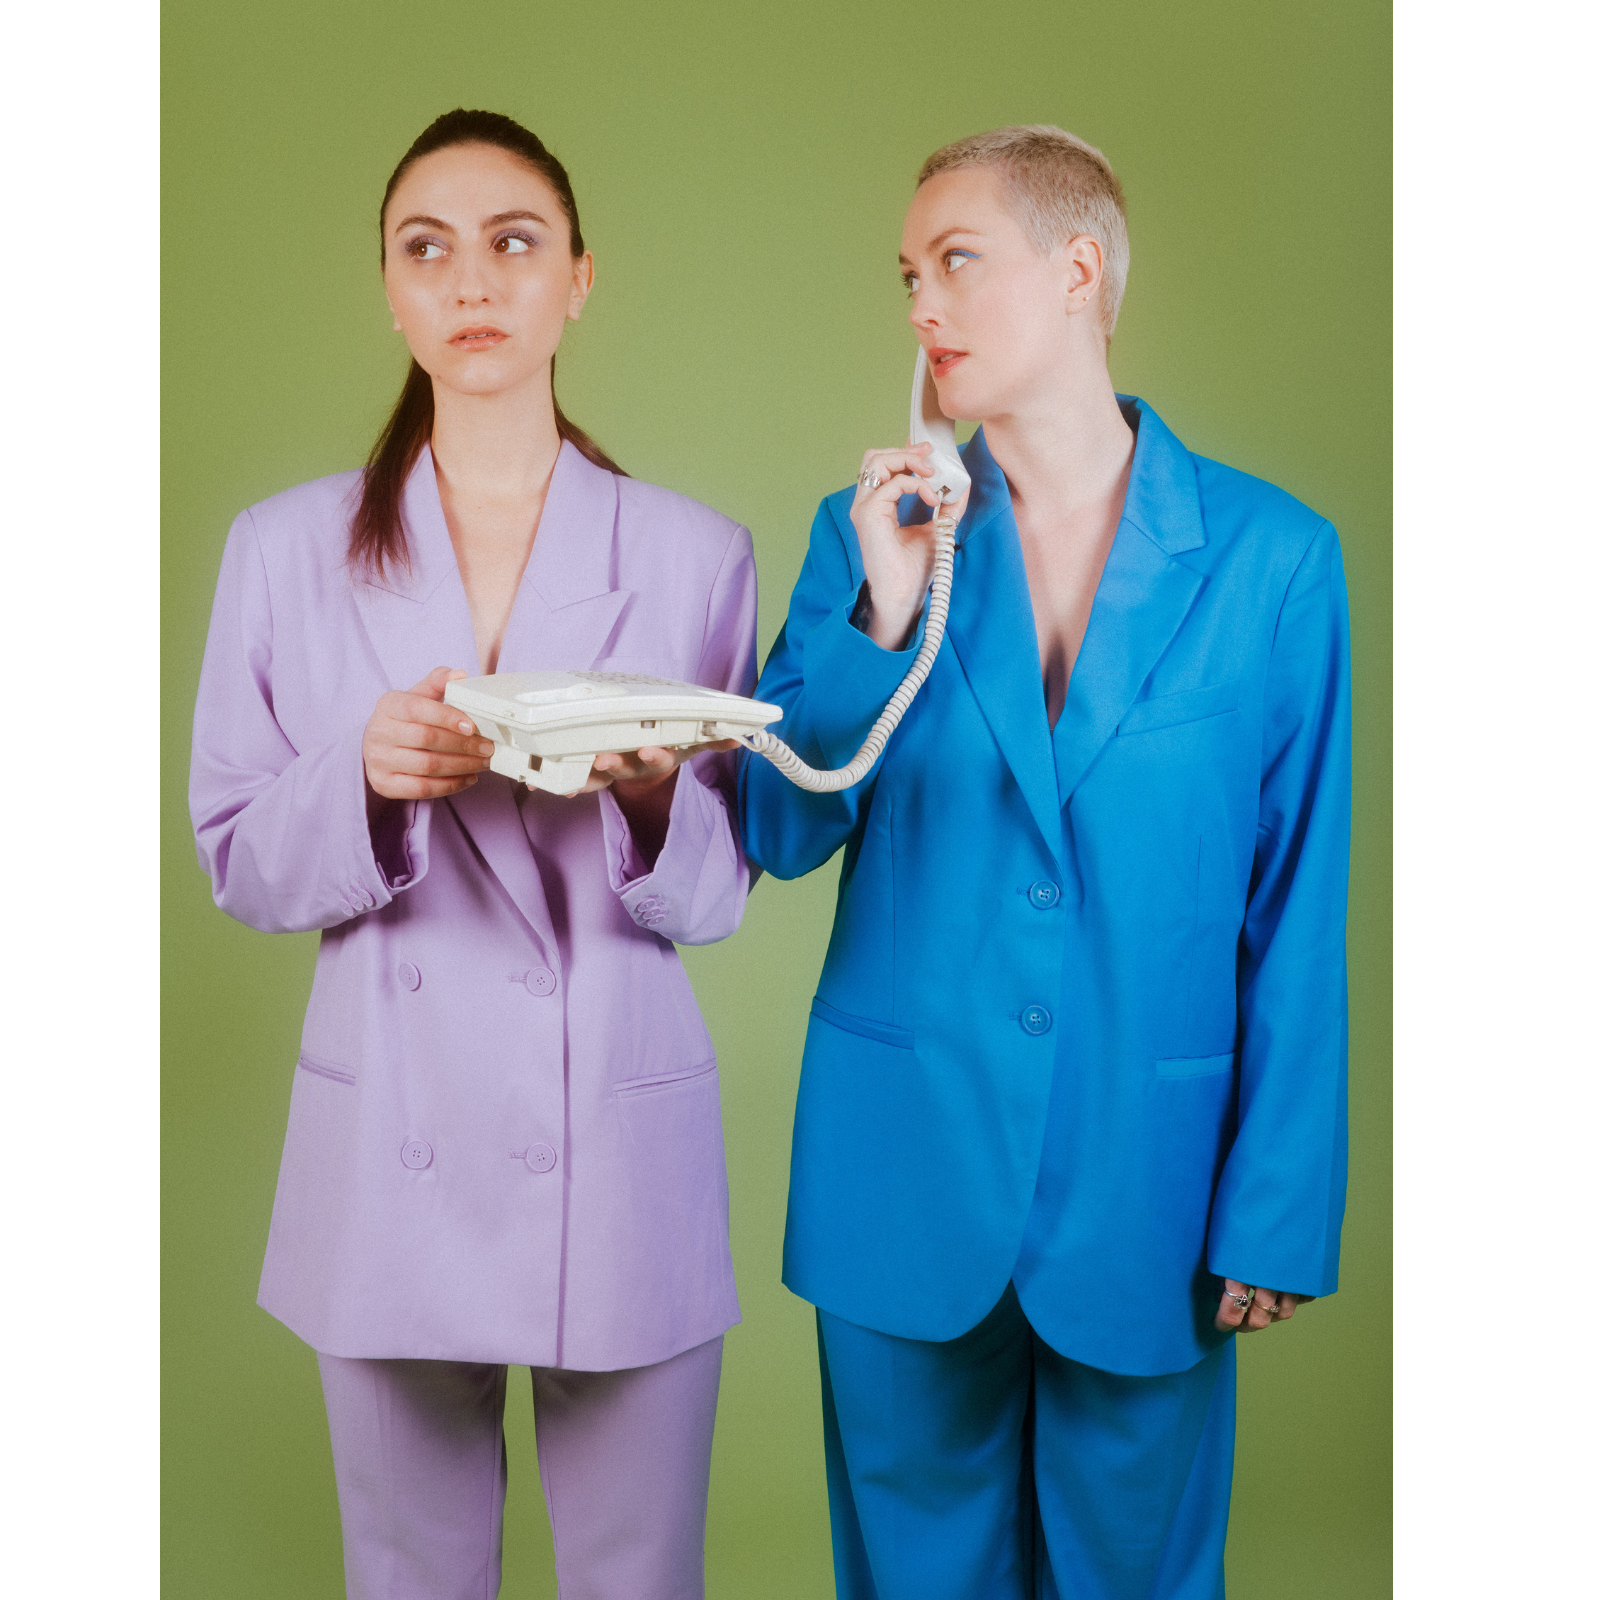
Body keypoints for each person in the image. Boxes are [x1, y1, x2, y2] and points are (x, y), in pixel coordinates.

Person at [739, 125, 1351, 1600]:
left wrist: (1273, 1205)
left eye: (955, 262)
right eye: (905, 276)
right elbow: (776, 826)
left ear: (1078, 270)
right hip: (902, 1171)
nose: (920, 308)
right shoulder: (868, 537)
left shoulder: (1275, 558)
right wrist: (882, 617)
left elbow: (1297, 905)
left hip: (1150, 1182)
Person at [190, 108, 757, 1600]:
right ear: (389, 291)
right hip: (391, 1134)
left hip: (615, 1133)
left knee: (641, 1576)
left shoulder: (695, 553)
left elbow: (723, 891)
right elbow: (238, 859)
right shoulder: (282, 549)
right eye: (425, 249)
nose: (471, 282)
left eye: (514, 242)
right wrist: (364, 785)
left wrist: (643, 796)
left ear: (580, 278)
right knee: (409, 1578)